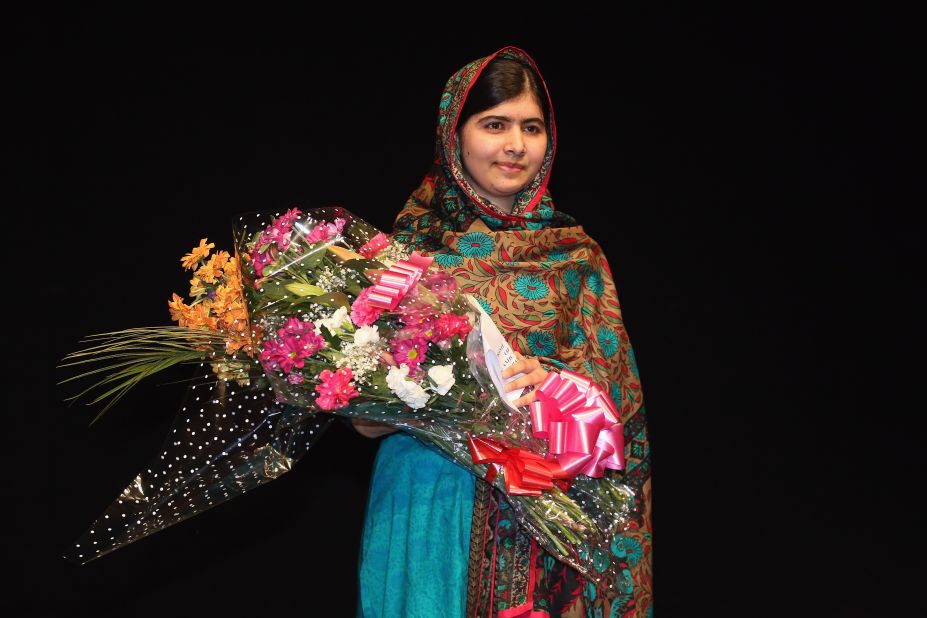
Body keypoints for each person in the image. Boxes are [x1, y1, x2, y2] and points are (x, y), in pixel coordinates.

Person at [352, 46, 653, 617]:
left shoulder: (575, 256)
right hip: (427, 502)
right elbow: (366, 418)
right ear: (454, 134)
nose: (516, 145)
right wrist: (378, 403)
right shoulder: (405, 253)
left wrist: (558, 388)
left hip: (545, 508)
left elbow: (620, 397)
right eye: (495, 124)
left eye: (531, 128)